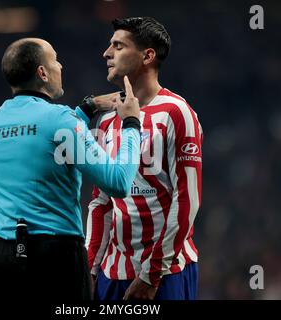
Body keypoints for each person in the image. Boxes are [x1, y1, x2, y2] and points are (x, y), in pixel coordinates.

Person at [0, 38, 141, 300]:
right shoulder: (60, 119)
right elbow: (118, 182)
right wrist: (132, 123)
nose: (60, 65)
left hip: (5, 257)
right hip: (55, 255)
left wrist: (89, 107)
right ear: (42, 72)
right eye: (54, 59)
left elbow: (40, 137)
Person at [86, 17, 203, 300]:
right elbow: (101, 202)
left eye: (118, 45)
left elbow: (187, 198)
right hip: (112, 272)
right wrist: (89, 267)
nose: (107, 53)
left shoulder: (177, 112)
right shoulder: (106, 122)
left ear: (147, 55)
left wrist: (152, 274)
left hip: (167, 272)